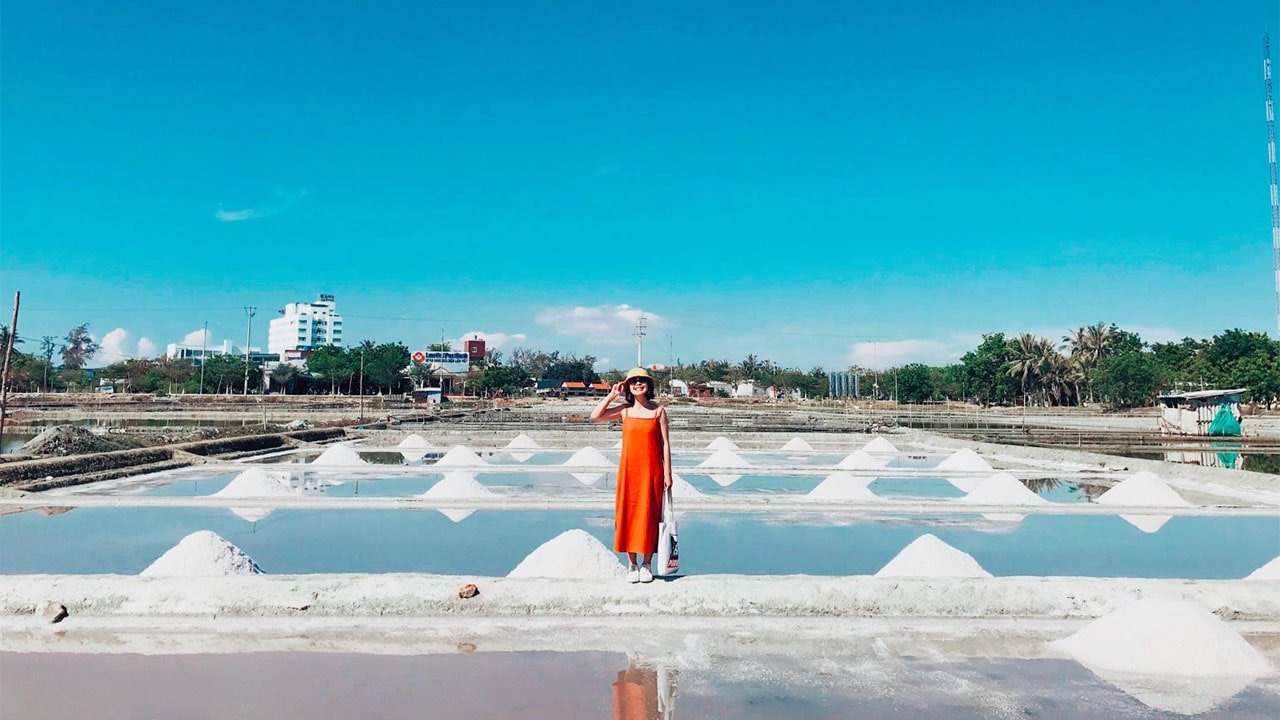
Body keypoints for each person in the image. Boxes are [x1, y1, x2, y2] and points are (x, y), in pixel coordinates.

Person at [590, 367, 672, 583]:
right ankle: (632, 564)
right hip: (629, 471)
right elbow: (595, 416)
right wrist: (611, 395)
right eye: (633, 381)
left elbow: (665, 444)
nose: (638, 384)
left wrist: (668, 473)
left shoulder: (658, 411)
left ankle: (647, 564)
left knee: (650, 515)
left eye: (642, 380)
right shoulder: (625, 410)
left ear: (649, 385)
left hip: (652, 471)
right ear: (628, 386)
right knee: (627, 514)